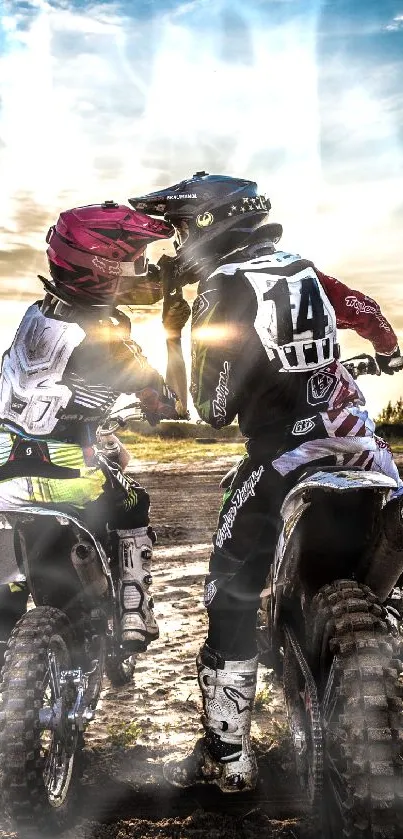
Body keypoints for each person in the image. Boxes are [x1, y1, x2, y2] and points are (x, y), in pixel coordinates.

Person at [129, 172, 403, 792]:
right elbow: (364, 312)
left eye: (177, 229)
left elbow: (212, 407)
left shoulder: (222, 288)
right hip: (365, 455)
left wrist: (174, 334)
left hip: (283, 463)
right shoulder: (301, 269)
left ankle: (229, 760)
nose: (175, 246)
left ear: (205, 225)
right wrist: (383, 349)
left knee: (228, 593)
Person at [0, 200, 190, 662]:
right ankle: (133, 611)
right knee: (133, 501)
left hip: (7, 464)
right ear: (104, 268)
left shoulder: (37, 316)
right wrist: (170, 335)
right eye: (133, 261)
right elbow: (172, 404)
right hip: (66, 474)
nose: (139, 270)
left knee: (8, 571)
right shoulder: (113, 347)